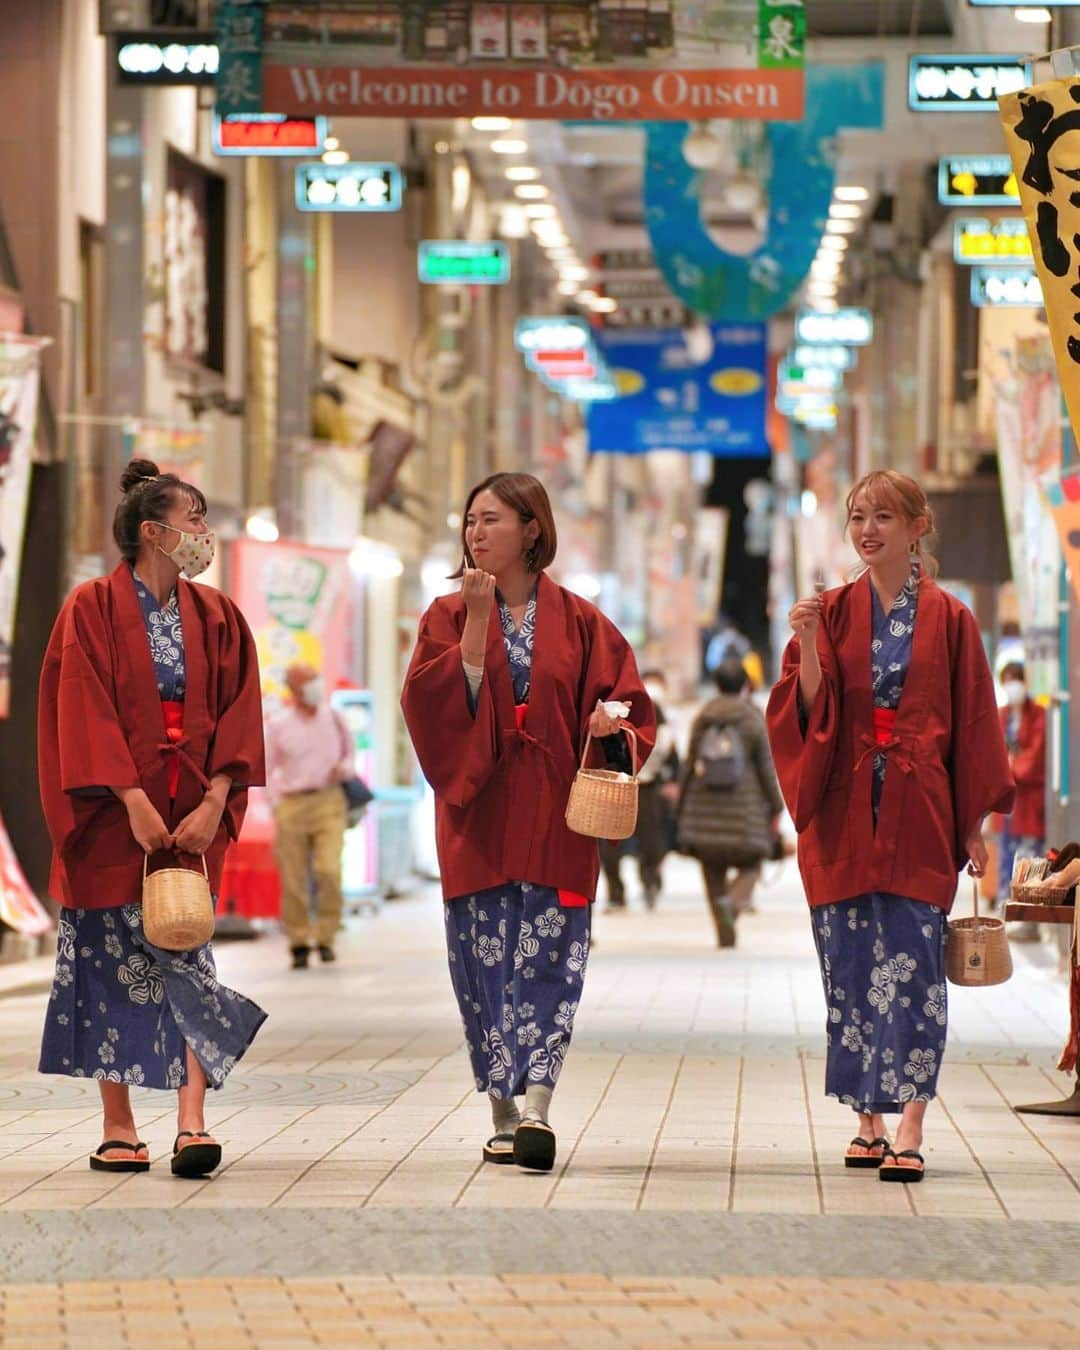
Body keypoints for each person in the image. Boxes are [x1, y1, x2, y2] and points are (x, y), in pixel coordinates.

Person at [401, 472, 655, 1173]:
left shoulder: (579, 620)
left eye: (491, 520)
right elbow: (427, 707)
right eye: (470, 521)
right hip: (475, 819)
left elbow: (630, 702)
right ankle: (501, 1109)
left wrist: (610, 726)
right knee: (483, 967)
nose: (476, 533)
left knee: (549, 960)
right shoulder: (444, 617)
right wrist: (477, 632)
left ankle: (537, 1102)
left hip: (555, 820)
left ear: (531, 529)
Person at [766, 470, 1014, 1183]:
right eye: (857, 517)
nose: (867, 529)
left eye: (882, 516)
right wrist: (809, 644)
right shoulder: (832, 609)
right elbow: (804, 712)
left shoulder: (952, 617)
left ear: (916, 525)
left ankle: (910, 1121)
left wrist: (973, 823)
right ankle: (865, 1120)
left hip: (920, 806)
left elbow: (972, 719)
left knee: (912, 970)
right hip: (844, 805)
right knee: (847, 968)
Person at [37, 458, 267, 1179]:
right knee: (109, 966)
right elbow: (83, 707)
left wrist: (215, 801)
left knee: (187, 956)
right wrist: (132, 800)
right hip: (111, 815)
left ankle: (192, 1121)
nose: (203, 532)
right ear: (154, 531)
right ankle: (118, 1124)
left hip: (193, 809)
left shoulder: (218, 615)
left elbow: (239, 709)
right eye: (194, 518)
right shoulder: (90, 608)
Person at [676, 660, 783, 947]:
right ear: (746, 686)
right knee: (753, 861)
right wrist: (776, 805)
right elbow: (765, 767)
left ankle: (721, 924)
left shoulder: (704, 716)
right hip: (744, 805)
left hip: (704, 802)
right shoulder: (751, 717)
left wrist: (681, 805)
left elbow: (688, 765)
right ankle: (733, 904)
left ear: (717, 684)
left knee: (711, 866)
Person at [265, 663, 353, 968]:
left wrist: (347, 768)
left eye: (317, 678)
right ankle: (299, 941)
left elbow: (349, 753)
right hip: (293, 805)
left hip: (329, 800)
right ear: (293, 689)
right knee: (294, 878)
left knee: (329, 870)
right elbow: (266, 769)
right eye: (308, 682)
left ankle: (326, 936)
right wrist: (276, 804)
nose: (316, 686)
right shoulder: (279, 725)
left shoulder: (334, 717)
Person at [600, 668, 679, 910]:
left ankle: (644, 886)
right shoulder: (619, 709)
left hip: (642, 785)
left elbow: (670, 751)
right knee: (614, 845)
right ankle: (622, 891)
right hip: (623, 784)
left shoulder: (660, 715)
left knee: (648, 843)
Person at [996, 662, 1046, 940]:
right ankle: (1008, 912)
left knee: (1030, 857)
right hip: (1008, 799)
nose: (1012, 684)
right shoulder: (1001, 715)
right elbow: (992, 753)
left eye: (1017, 679)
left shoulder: (1038, 714)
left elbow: (1034, 758)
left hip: (1030, 799)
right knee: (1007, 856)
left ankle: (1029, 919)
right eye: (1008, 679)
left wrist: (1011, 764)